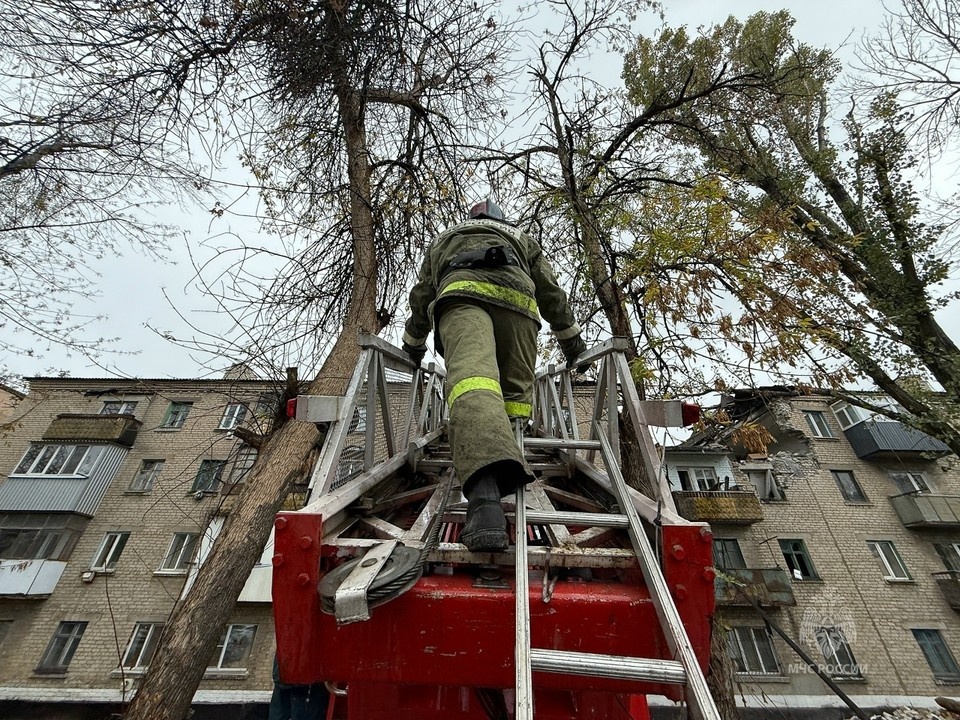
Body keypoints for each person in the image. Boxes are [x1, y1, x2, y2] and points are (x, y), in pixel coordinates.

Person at [402, 199, 586, 552]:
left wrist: (413, 346)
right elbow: (551, 291)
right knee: (514, 399)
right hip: (519, 308)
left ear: (471, 219)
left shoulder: (445, 239)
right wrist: (572, 343)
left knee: (474, 384)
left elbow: (422, 294)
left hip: (462, 300)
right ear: (501, 219)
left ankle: (485, 502)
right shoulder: (521, 237)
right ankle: (510, 467)